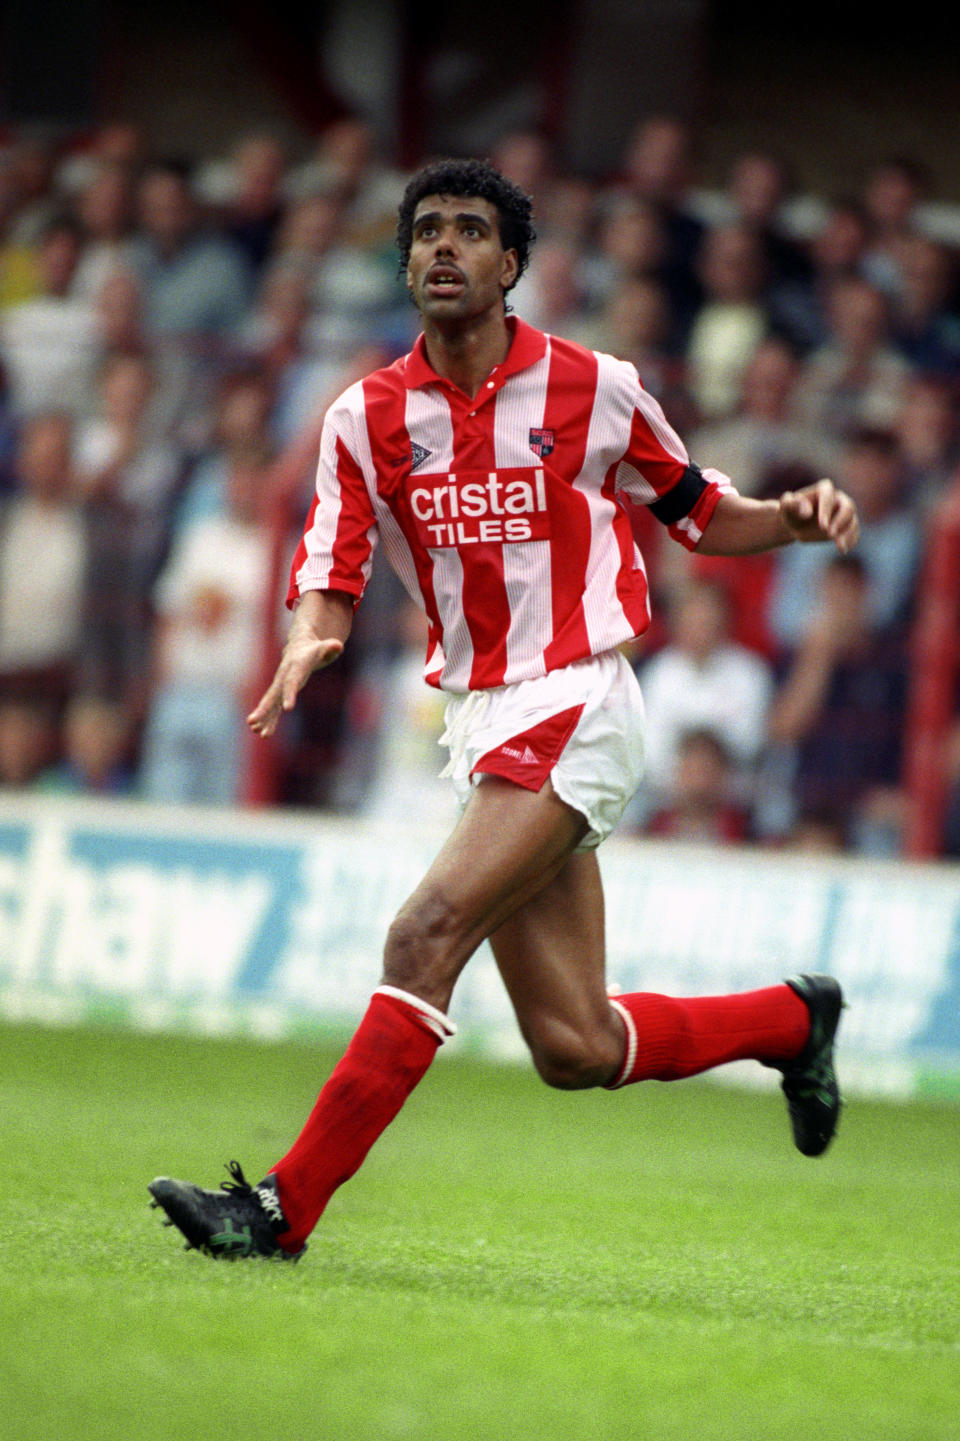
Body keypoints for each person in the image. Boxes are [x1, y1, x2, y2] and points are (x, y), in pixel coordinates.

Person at [149, 158, 859, 1261]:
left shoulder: (597, 386)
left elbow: (698, 510)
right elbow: (330, 557)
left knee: (422, 931)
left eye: (470, 231)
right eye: (426, 230)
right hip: (483, 715)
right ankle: (794, 1019)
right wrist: (307, 632)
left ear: (511, 264)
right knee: (576, 1044)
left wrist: (790, 518)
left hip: (580, 698)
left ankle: (278, 1212)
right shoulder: (364, 416)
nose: (444, 247)